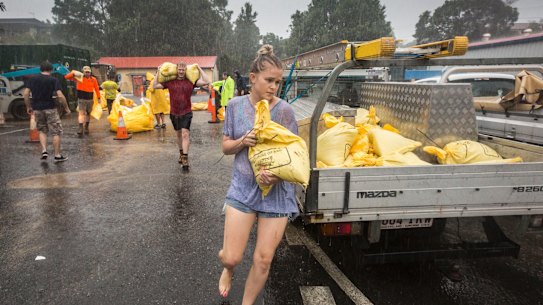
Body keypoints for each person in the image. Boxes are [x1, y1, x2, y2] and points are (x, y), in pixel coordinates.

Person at [218, 45, 299, 304]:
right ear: (253, 79)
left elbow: (294, 156)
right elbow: (226, 147)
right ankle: (228, 269)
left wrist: (276, 176)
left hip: (275, 195)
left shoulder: (285, 111)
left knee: (263, 260)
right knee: (231, 256)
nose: (274, 87)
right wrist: (243, 140)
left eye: (278, 82)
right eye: (269, 80)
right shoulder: (235, 106)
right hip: (243, 189)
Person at [154, 62, 210, 169]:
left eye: (183, 70)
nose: (181, 71)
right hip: (174, 112)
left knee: (185, 134)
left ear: (185, 71)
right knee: (179, 134)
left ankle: (185, 158)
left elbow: (207, 81)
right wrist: (158, 71)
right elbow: (155, 85)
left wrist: (199, 67)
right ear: (176, 70)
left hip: (186, 112)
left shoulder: (191, 81)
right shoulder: (170, 82)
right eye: (179, 69)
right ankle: (181, 153)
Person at [23, 60, 70, 162]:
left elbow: (26, 94)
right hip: (50, 108)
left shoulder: (32, 79)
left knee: (42, 130)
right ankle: (57, 155)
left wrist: (28, 106)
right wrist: (66, 108)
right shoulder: (53, 80)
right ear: (51, 70)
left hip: (37, 109)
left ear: (40, 69)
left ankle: (44, 150)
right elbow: (60, 95)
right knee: (56, 132)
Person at [65, 66, 101, 135]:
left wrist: (99, 98)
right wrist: (73, 73)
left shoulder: (93, 79)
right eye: (86, 72)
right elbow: (67, 77)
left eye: (88, 72)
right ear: (83, 72)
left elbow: (96, 88)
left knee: (88, 113)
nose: (87, 73)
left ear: (90, 72)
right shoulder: (79, 77)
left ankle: (86, 127)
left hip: (90, 99)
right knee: (81, 113)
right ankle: (80, 128)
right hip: (82, 99)